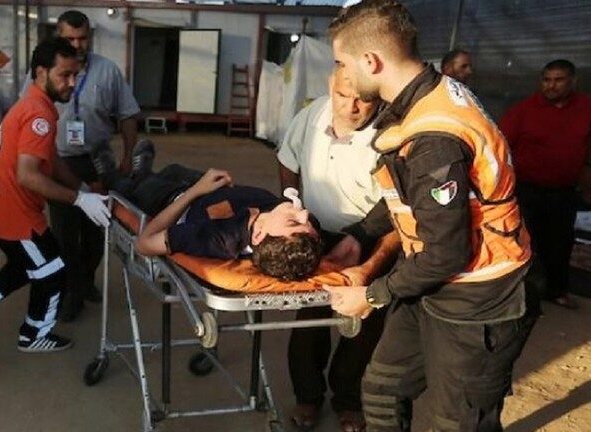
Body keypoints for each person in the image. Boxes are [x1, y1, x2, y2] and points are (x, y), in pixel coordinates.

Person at [325, 1, 537, 431]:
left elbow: (446, 253)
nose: (342, 73)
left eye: (342, 62)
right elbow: (410, 192)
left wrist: (373, 295)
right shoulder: (427, 95)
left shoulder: (435, 138)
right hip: (427, 283)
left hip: (477, 297)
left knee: (457, 420)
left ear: (371, 61)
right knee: (382, 389)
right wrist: (360, 234)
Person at [0, 38, 111, 353]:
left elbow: (52, 159)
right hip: (15, 214)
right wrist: (79, 200)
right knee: (53, 270)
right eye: (64, 75)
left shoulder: (33, 104)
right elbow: (28, 175)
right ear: (41, 72)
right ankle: (33, 335)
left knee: (24, 266)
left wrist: (82, 187)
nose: (71, 83)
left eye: (75, 75)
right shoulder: (39, 115)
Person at [278, 67, 392, 431]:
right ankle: (307, 396)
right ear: (331, 86)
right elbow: (287, 159)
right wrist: (292, 203)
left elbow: (399, 201)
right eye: (343, 95)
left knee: (364, 323)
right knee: (309, 320)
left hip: (372, 237)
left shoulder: (391, 129)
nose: (351, 107)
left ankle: (347, 399)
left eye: (363, 99)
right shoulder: (313, 114)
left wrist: (363, 240)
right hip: (316, 234)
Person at [43, 10, 142, 321]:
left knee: (96, 232)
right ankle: (71, 294)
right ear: (58, 37)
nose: (77, 44)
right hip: (59, 162)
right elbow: (28, 108)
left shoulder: (107, 71)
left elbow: (127, 114)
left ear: (90, 37)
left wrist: (128, 155)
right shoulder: (46, 70)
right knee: (64, 233)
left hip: (97, 163)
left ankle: (85, 281)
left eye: (82, 38)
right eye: (69, 38)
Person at [499, 59, 591, 310]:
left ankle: (556, 291)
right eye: (547, 80)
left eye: (558, 80)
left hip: (565, 191)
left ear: (573, 81)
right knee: (524, 242)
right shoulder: (524, 110)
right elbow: (501, 145)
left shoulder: (585, 108)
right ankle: (520, 295)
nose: (551, 85)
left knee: (561, 242)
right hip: (527, 189)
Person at [132, 165, 323, 281]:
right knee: (172, 169)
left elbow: (144, 244)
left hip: (169, 199)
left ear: (258, 235)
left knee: (133, 185)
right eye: (308, 222)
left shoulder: (219, 237)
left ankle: (136, 171)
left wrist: (195, 191)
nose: (304, 214)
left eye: (293, 222)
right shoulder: (298, 235)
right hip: (204, 184)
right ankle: (142, 169)